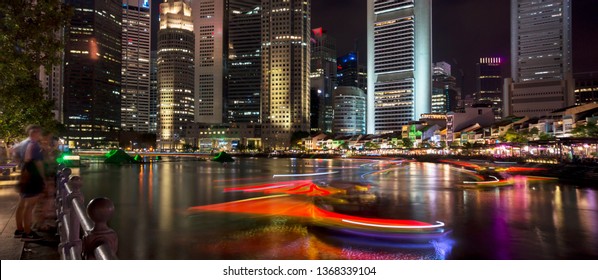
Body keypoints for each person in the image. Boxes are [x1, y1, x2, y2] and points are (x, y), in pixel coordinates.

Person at [14, 125, 45, 241]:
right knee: (30, 205)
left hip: (24, 175)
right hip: (33, 177)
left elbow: (15, 157)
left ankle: (19, 230)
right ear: (36, 133)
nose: (40, 135)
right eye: (39, 133)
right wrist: (43, 178)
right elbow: (39, 164)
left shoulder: (22, 143)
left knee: (21, 203)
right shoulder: (34, 145)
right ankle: (28, 233)